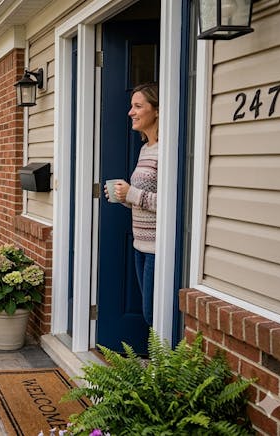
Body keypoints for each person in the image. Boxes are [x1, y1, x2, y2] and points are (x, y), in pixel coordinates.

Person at [105, 82, 159, 326]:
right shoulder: (145, 149)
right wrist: (123, 196)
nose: (130, 112)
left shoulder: (166, 150)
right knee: (150, 314)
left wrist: (132, 193)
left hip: (159, 248)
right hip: (140, 244)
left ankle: (161, 364)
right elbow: (142, 198)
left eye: (138, 106)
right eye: (131, 106)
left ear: (156, 110)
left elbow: (172, 204)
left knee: (153, 315)